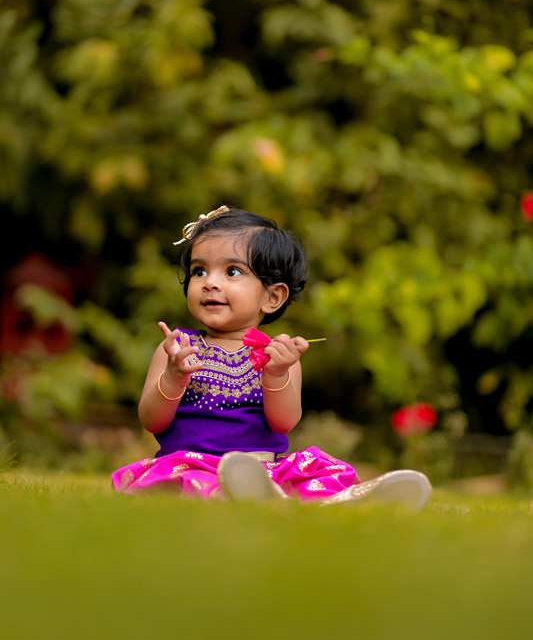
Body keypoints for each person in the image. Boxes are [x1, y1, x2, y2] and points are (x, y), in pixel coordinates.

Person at [112, 206, 431, 509]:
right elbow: (151, 420)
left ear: (272, 296)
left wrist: (276, 375)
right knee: (194, 486)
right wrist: (173, 377)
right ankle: (254, 497)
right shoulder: (177, 347)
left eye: (232, 271)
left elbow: (285, 422)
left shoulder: (278, 355)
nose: (210, 282)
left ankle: (346, 502)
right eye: (199, 270)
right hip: (189, 466)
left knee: (313, 477)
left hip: (263, 471)